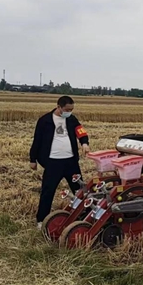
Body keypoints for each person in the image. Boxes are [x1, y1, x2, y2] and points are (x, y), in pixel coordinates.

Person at [29, 95, 90, 229]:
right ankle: (41, 220)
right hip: (53, 163)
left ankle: (87, 215)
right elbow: (37, 140)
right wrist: (33, 159)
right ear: (59, 107)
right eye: (67, 109)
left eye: (72, 109)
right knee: (48, 191)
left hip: (71, 162)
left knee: (80, 191)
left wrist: (84, 143)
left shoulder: (72, 119)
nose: (70, 112)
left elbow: (81, 131)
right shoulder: (45, 121)